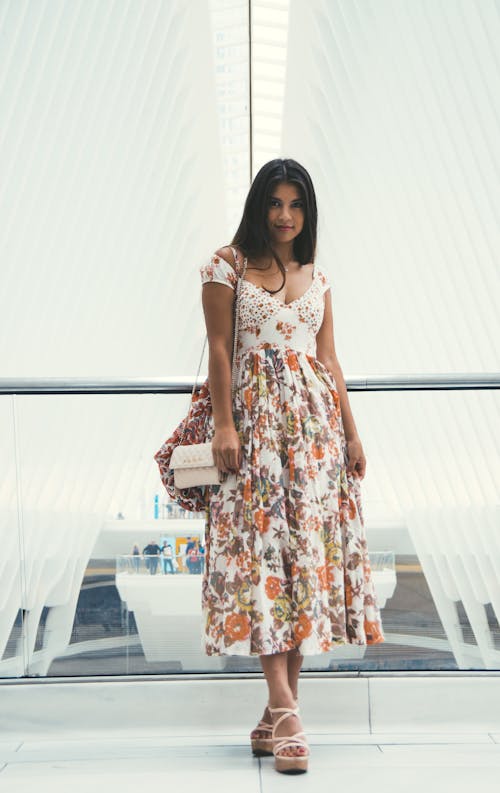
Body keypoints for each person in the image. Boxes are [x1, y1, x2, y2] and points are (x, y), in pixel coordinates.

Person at [199, 158, 385, 775]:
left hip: (315, 437)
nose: (285, 216)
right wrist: (225, 425)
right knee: (261, 556)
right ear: (259, 206)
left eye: (296, 205)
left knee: (303, 560)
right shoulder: (224, 266)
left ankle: (278, 713)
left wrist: (353, 435)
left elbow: (329, 362)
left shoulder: (319, 277)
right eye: (275, 203)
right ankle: (287, 711)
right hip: (253, 429)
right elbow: (221, 350)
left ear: (307, 213)